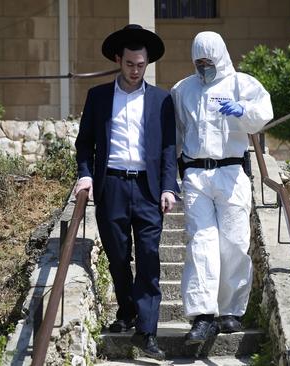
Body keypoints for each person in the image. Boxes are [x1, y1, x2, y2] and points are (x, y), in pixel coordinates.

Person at [73, 24, 178, 360]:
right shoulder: (99, 97)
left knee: (148, 256)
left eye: (141, 65)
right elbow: (84, 144)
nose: (135, 70)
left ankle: (146, 333)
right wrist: (86, 176)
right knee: (118, 256)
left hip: (148, 189)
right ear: (119, 60)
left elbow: (167, 149)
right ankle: (127, 310)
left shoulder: (161, 99)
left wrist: (168, 187)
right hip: (112, 185)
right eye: (130, 64)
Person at [170, 31, 273, 344]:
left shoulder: (242, 84)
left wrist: (243, 111)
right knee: (201, 242)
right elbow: (175, 134)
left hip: (230, 172)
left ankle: (230, 311)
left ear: (221, 56)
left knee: (234, 241)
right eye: (198, 62)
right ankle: (202, 314)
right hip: (196, 175)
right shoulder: (182, 90)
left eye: (208, 61)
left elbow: (263, 114)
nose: (204, 67)